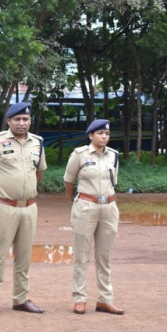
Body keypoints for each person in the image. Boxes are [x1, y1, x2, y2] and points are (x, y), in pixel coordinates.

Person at [0, 102, 47, 316]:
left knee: (24, 257)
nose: (21, 123)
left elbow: (39, 172)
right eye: (17, 119)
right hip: (4, 207)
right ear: (8, 121)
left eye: (25, 119)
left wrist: (28, 191)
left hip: (29, 208)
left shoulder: (38, 143)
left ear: (30, 121)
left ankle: (21, 299)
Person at [63, 119, 124, 315]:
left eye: (106, 134)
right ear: (91, 135)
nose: (104, 137)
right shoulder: (79, 154)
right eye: (100, 133)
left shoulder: (113, 155)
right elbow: (68, 181)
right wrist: (76, 201)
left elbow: (113, 182)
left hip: (109, 207)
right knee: (81, 255)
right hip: (86, 206)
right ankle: (79, 299)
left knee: (104, 256)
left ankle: (105, 300)